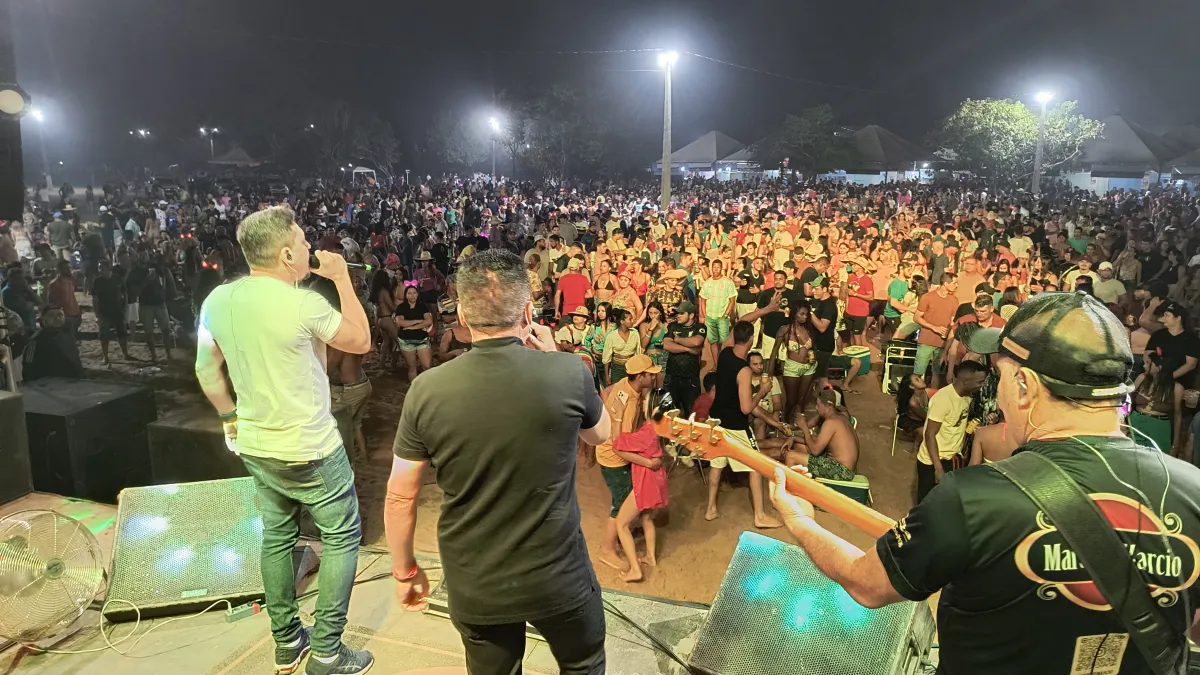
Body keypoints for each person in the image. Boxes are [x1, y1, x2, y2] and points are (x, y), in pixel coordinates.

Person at [767, 290, 1200, 675]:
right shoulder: (1193, 490)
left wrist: (799, 519)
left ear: (1024, 385)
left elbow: (866, 583)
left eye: (1002, 375)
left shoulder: (971, 498)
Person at [384, 249, 611, 675]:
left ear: (462, 316)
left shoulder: (426, 390)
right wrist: (555, 355)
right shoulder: (568, 372)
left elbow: (400, 496)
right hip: (559, 577)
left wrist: (405, 571)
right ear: (527, 312)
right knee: (583, 664)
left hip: (477, 582)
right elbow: (601, 435)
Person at [195, 205, 373, 675]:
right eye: (305, 241)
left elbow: (206, 371)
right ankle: (328, 652)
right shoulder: (304, 304)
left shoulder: (217, 300)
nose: (312, 247)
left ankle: (287, 641)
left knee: (277, 537)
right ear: (287, 254)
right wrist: (342, 279)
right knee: (342, 537)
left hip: (256, 444)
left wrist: (229, 418)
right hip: (311, 448)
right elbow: (360, 341)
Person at [704, 320, 783, 528]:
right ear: (751, 339)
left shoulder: (724, 353)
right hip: (735, 425)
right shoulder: (744, 370)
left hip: (716, 419)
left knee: (716, 465)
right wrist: (762, 392)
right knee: (755, 465)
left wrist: (764, 312)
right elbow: (746, 408)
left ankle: (711, 508)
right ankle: (760, 515)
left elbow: (739, 324)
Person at [601, 354, 663, 583]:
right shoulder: (627, 402)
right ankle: (608, 549)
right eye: (650, 374)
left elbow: (607, 392)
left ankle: (620, 543)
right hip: (614, 459)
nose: (654, 377)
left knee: (627, 502)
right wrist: (648, 463)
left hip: (618, 454)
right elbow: (618, 446)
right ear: (640, 377)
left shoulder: (626, 386)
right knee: (621, 505)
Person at [917, 360, 989, 502]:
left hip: (951, 458)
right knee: (926, 503)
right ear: (966, 381)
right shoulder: (943, 399)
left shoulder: (967, 397)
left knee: (943, 501)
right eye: (979, 382)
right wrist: (938, 468)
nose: (981, 386)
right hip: (933, 461)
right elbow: (930, 434)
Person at [786, 388, 859, 481]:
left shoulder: (831, 422)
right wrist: (794, 438)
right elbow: (818, 442)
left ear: (828, 407)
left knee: (790, 456)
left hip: (841, 471)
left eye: (818, 405)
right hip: (845, 468)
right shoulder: (841, 418)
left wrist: (805, 428)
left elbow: (815, 450)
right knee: (799, 448)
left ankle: (792, 488)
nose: (816, 408)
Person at [913, 272, 959, 387]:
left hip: (943, 343)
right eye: (954, 283)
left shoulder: (954, 300)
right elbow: (916, 317)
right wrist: (934, 327)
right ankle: (914, 395)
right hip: (926, 341)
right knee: (918, 372)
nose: (957, 285)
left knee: (937, 373)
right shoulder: (928, 297)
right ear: (946, 283)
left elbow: (953, 321)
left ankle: (933, 395)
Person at [22, 307, 83, 381]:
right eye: (51, 316)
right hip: (49, 383)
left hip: (74, 380)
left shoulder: (68, 333)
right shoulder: (36, 341)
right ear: (43, 320)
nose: (57, 318)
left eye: (60, 315)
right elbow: (28, 367)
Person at [91, 259, 133, 364]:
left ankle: (125, 354)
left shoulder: (117, 279)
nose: (100, 270)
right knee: (104, 336)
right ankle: (105, 357)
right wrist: (97, 314)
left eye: (102, 267)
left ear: (108, 268)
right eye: (99, 267)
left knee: (122, 335)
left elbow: (125, 293)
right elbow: (95, 299)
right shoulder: (97, 281)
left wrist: (125, 307)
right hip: (104, 312)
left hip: (118, 311)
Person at [394, 284, 434, 382]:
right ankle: (414, 387)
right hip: (406, 340)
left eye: (414, 293)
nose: (412, 295)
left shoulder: (423, 306)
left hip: (422, 339)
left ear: (417, 294)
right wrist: (419, 321)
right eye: (409, 293)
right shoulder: (401, 307)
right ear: (406, 295)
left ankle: (427, 386)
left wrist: (411, 327)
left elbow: (429, 321)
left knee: (427, 366)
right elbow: (401, 322)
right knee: (412, 366)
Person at [699, 258, 737, 345]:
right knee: (712, 342)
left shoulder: (728, 282)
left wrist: (725, 315)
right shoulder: (707, 283)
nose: (716, 269)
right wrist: (705, 316)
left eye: (718, 267)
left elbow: (732, 300)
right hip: (710, 317)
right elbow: (703, 300)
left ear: (721, 268)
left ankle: (723, 354)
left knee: (724, 342)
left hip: (722, 317)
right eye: (714, 267)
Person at [46, 260, 82, 336]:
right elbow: (52, 303)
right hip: (64, 316)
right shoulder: (55, 284)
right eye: (66, 268)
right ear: (59, 270)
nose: (69, 270)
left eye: (70, 268)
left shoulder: (71, 280)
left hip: (75, 313)